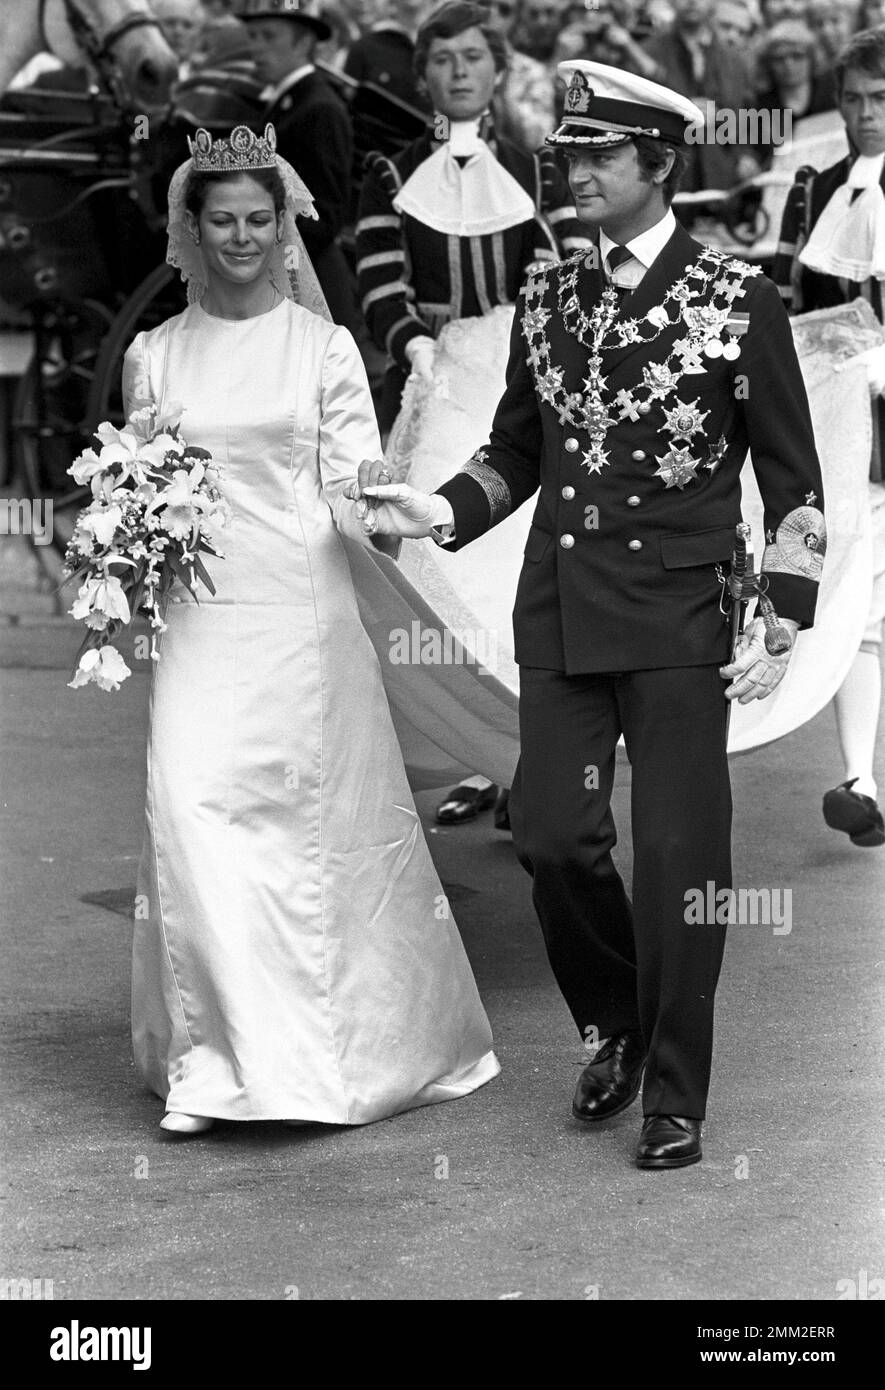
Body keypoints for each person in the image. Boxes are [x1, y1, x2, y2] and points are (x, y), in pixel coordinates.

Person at [353, 61, 826, 1169]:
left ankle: (675, 1090)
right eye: (568, 155)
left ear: (658, 163)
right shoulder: (550, 297)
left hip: (681, 619)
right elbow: (516, 449)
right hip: (562, 612)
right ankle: (614, 1019)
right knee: (554, 839)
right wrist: (440, 508)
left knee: (678, 860)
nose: (576, 173)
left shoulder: (737, 298)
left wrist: (784, 616)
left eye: (601, 154)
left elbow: (793, 481)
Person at [122, 121, 500, 1135]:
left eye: (259, 219)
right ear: (191, 229)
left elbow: (349, 478)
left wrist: (380, 494)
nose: (242, 238)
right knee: (193, 812)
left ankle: (318, 1055)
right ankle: (211, 1063)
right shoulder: (155, 355)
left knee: (304, 833)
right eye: (223, 221)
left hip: (302, 612)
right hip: (198, 615)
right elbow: (141, 484)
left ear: (282, 226)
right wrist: (118, 552)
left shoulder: (323, 347)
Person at [357, 0, 589, 827]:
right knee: (439, 578)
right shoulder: (389, 174)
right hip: (430, 386)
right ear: (422, 74)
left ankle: (527, 769)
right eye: (442, 59)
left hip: (516, 382)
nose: (458, 72)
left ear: (497, 69)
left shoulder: (537, 170)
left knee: (510, 578)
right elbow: (378, 280)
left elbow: (566, 270)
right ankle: (477, 758)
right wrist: (417, 346)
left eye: (472, 57)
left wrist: (517, 348)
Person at [773, 25, 885, 848]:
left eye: (879, 99)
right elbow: (784, 305)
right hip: (844, 416)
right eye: (852, 100)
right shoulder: (813, 189)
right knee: (855, 587)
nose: (865, 114)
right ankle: (859, 778)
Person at [239, 0, 358, 331]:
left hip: (308, 285)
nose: (256, 47)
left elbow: (323, 215)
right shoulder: (287, 102)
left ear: (304, 43)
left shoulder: (318, 109)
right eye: (252, 36)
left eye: (268, 36)